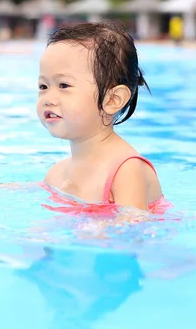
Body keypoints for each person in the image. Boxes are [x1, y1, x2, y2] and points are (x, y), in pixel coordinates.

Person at [37, 22, 172, 217]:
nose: (48, 99)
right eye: (43, 87)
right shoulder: (57, 173)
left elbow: (133, 231)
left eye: (64, 85)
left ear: (112, 100)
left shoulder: (125, 171)